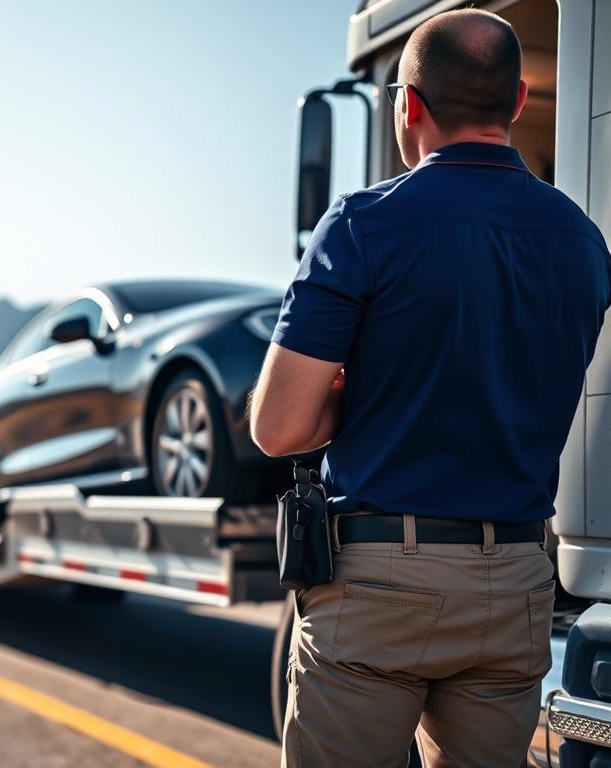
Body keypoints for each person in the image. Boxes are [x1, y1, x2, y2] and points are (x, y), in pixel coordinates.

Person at [250, 9, 611, 768]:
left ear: (407, 105)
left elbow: (278, 428)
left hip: (382, 582)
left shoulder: (362, 224)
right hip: (517, 582)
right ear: (517, 102)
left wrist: (371, 389)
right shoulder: (583, 241)